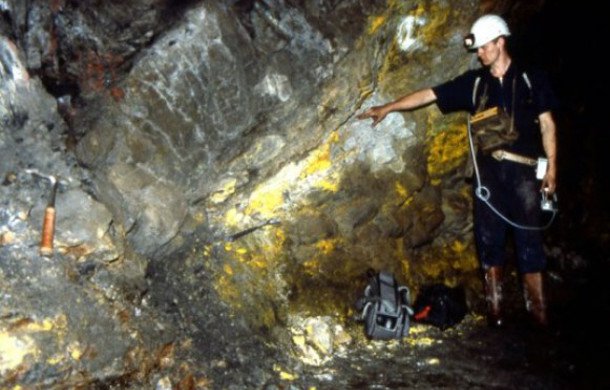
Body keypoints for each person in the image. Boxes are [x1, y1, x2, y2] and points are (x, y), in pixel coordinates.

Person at [357, 14, 558, 328]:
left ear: (500, 42)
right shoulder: (475, 83)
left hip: (524, 177)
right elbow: (430, 94)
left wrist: (552, 170)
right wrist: (388, 107)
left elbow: (547, 125)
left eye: (483, 47)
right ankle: (496, 318)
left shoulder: (533, 79)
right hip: (488, 179)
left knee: (529, 245)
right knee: (489, 246)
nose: (478, 53)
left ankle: (540, 320)